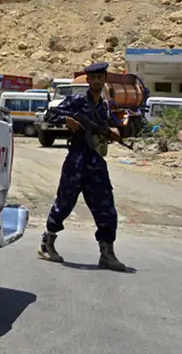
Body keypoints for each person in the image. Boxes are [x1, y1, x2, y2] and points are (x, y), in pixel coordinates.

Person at [39, 61, 126, 271]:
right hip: (77, 159)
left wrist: (113, 132)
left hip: (95, 161)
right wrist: (67, 120)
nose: (97, 81)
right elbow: (50, 115)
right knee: (65, 202)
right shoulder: (77, 101)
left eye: (100, 78)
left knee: (105, 205)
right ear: (88, 80)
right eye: (93, 78)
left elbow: (110, 126)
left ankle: (107, 253)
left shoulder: (104, 106)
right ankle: (47, 243)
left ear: (105, 80)